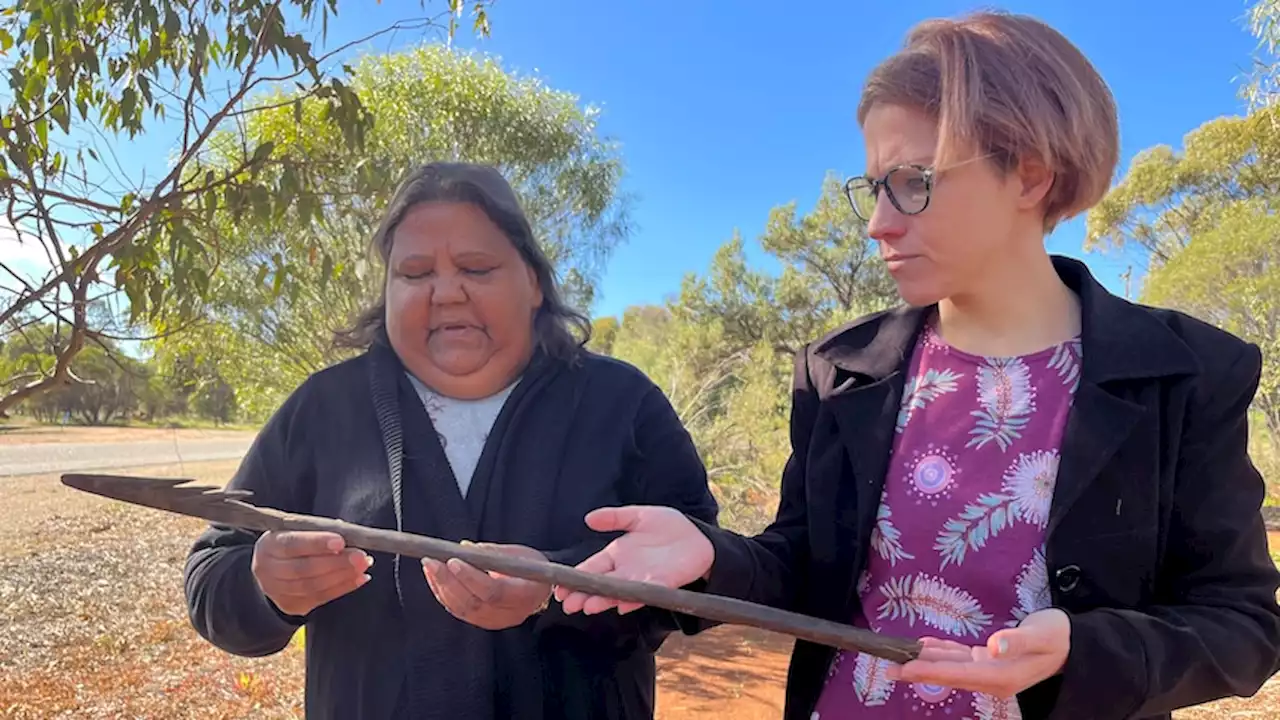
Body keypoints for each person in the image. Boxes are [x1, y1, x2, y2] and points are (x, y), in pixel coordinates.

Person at [556, 11, 1280, 720]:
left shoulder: (1184, 376)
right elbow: (805, 564)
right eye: (874, 187)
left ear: (1029, 175)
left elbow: (1242, 625)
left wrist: (1084, 649)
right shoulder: (840, 374)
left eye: (913, 181)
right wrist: (707, 553)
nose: (878, 222)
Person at [182, 162, 719, 720]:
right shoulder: (322, 408)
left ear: (533, 282)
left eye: (478, 267)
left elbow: (701, 576)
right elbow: (211, 577)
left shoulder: (621, 402)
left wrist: (555, 584)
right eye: (414, 274)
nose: (446, 293)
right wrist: (264, 586)